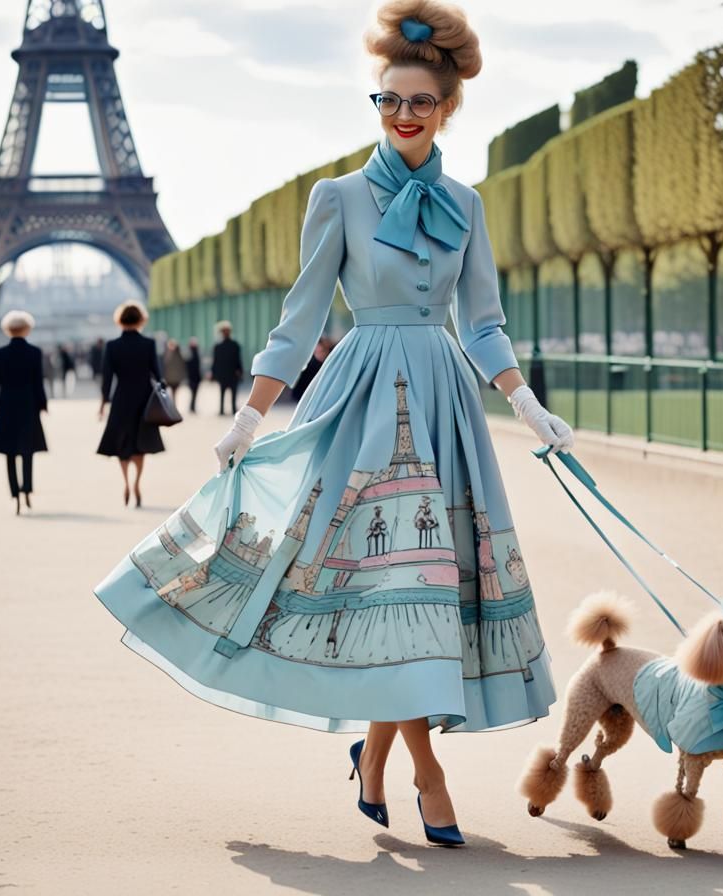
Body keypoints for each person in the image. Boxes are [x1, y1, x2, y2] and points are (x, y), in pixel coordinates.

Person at [94, 1, 574, 847]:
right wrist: (249, 415)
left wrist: (524, 401)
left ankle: (376, 759)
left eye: (418, 102)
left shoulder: (466, 200)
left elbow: (485, 321)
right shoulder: (339, 196)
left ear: (447, 106)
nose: (401, 115)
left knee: (418, 589)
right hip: (363, 404)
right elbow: (301, 312)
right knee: (382, 585)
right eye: (387, 101)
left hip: (447, 405)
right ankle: (428, 773)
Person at [97, 301, 164, 508]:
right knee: (140, 444)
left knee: (122, 443)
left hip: (121, 399)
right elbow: (158, 375)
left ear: (120, 320)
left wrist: (103, 403)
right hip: (143, 400)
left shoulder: (112, 346)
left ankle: (125, 481)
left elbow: (107, 379)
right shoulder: (148, 344)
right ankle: (136, 483)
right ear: (140, 320)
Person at [0, 311, 48, 515]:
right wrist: (43, 404)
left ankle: (15, 494)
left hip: (6, 406)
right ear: (26, 329)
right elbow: (38, 382)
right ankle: (27, 490)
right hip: (28, 405)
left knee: (9, 451)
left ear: (8, 329)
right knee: (27, 449)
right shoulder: (34, 353)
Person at [210, 321, 243, 415]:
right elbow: (215, 361)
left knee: (231, 393)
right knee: (223, 392)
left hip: (230, 373)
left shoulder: (233, 345)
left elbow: (238, 359)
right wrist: (213, 373)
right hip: (225, 374)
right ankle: (222, 410)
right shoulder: (219, 346)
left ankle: (231, 409)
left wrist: (239, 371)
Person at [291, 335, 336, 401]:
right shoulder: (308, 367)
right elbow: (297, 391)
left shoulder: (333, 363)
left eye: (322, 351)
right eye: (317, 352)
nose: (320, 354)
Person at [162, 338, 188, 403]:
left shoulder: (178, 355)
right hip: (168, 378)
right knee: (166, 394)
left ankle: (172, 405)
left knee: (174, 394)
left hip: (175, 379)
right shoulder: (167, 353)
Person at [185, 337, 203, 414]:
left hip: (195, 377)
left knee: (194, 393)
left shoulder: (196, 352)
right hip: (192, 377)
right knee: (193, 393)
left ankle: (192, 407)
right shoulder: (190, 353)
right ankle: (192, 407)